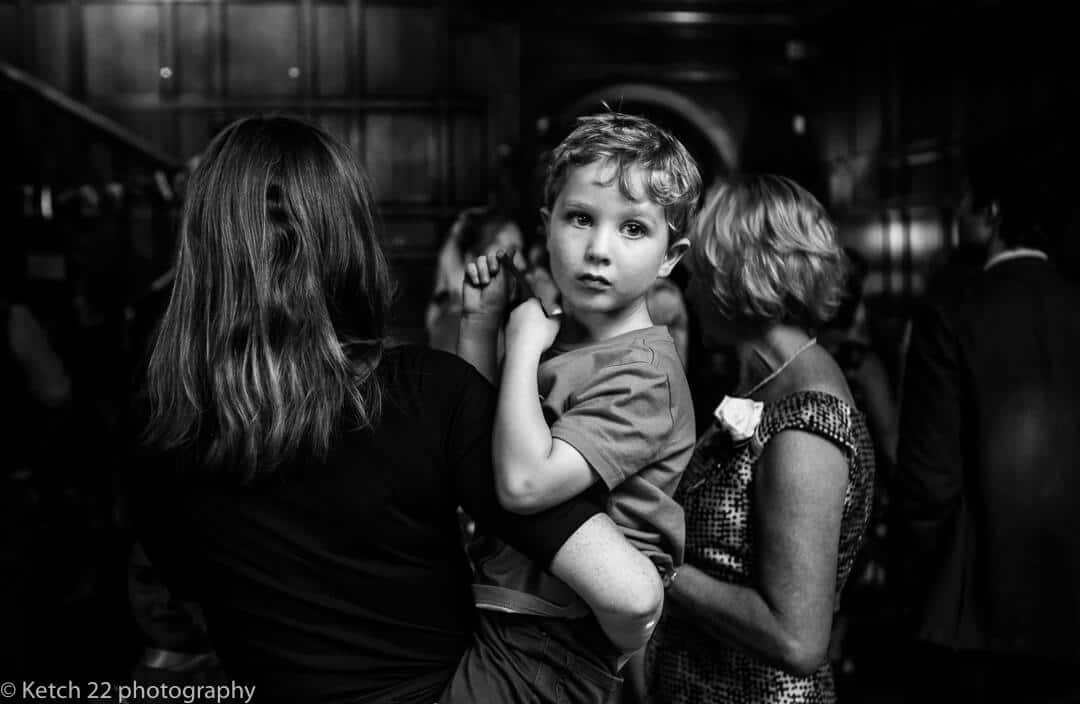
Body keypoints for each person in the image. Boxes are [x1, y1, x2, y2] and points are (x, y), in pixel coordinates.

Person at [125, 115, 670, 704]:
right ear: (351, 238)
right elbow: (630, 592)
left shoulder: (161, 426)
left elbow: (186, 591)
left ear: (203, 251)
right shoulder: (424, 393)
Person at [443, 111, 701, 703]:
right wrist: (483, 326)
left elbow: (525, 483)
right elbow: (475, 444)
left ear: (670, 256)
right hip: (506, 617)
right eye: (580, 218)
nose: (598, 249)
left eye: (633, 229)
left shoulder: (644, 375)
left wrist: (525, 343)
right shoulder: (563, 341)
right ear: (547, 225)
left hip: (555, 646)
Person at [643, 174, 877, 703]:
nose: (690, 289)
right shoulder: (770, 379)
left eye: (699, 271)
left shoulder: (806, 422)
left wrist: (656, 570)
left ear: (740, 276)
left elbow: (797, 639)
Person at [891, 139, 1080, 703]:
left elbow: (929, 480)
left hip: (975, 610)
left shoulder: (950, 313)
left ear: (993, 212)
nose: (956, 210)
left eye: (966, 199)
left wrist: (915, 586)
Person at [425, 205, 525, 353]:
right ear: (472, 257)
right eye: (509, 251)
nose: (522, 263)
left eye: (520, 251)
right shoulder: (460, 324)